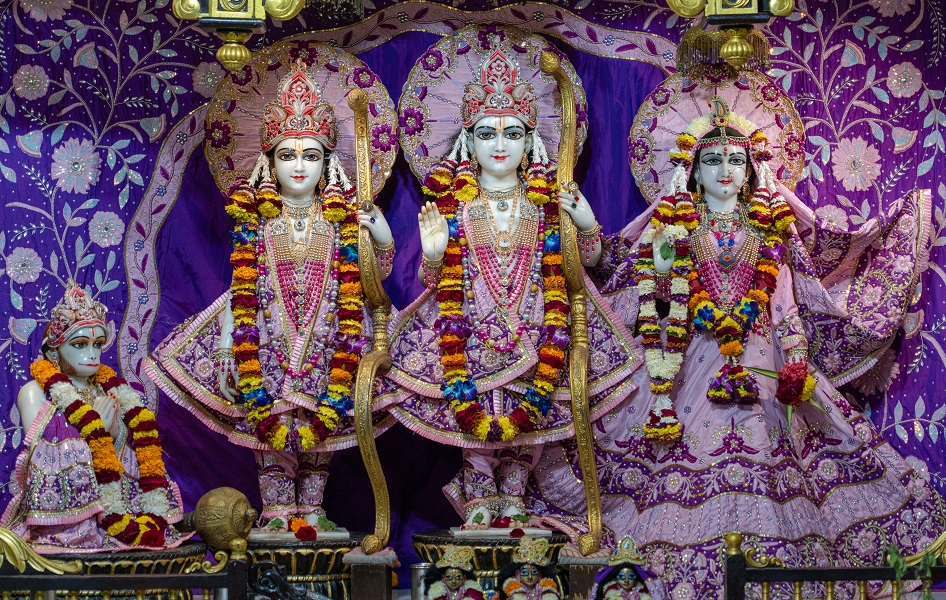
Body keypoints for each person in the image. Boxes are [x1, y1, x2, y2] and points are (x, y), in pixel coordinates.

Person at [531, 93, 946, 598]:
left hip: (762, 361)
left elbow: (785, 304)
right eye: (711, 160)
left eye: (735, 159)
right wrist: (590, 226)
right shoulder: (673, 227)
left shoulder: (769, 230)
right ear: (692, 171)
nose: (724, 169)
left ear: (751, 171)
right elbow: (621, 276)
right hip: (688, 362)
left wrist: (795, 360)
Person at [383, 26, 642, 530]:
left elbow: (582, 263)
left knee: (531, 421)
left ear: (531, 141)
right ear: (467, 140)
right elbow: (432, 282)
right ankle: (479, 500)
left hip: (537, 332)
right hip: (470, 337)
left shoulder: (546, 203)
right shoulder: (454, 207)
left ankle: (518, 500)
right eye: (486, 133)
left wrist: (586, 226)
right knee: (476, 426)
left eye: (512, 133)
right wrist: (433, 254)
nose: (499, 145)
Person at [149, 57, 396, 531]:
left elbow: (374, 280)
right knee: (269, 429)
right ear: (269, 160)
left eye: (311, 155)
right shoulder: (256, 219)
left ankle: (314, 511)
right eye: (288, 155)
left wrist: (381, 240)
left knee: (326, 427)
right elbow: (242, 286)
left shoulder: (343, 219)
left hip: (332, 339)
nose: (299, 166)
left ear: (328, 162)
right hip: (265, 339)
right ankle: (279, 512)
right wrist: (226, 343)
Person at [1, 283, 187, 552]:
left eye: (97, 344)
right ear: (53, 351)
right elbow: (37, 463)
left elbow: (132, 451)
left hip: (122, 508)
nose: (92, 353)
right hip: (66, 520)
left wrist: (115, 434)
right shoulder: (35, 392)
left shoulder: (110, 389)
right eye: (79, 344)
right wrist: (91, 431)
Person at [590, 537, 663, 600]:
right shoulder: (610, 592)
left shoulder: (643, 592)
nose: (626, 581)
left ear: (636, 578)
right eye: (621, 577)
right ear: (615, 578)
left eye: (631, 577)